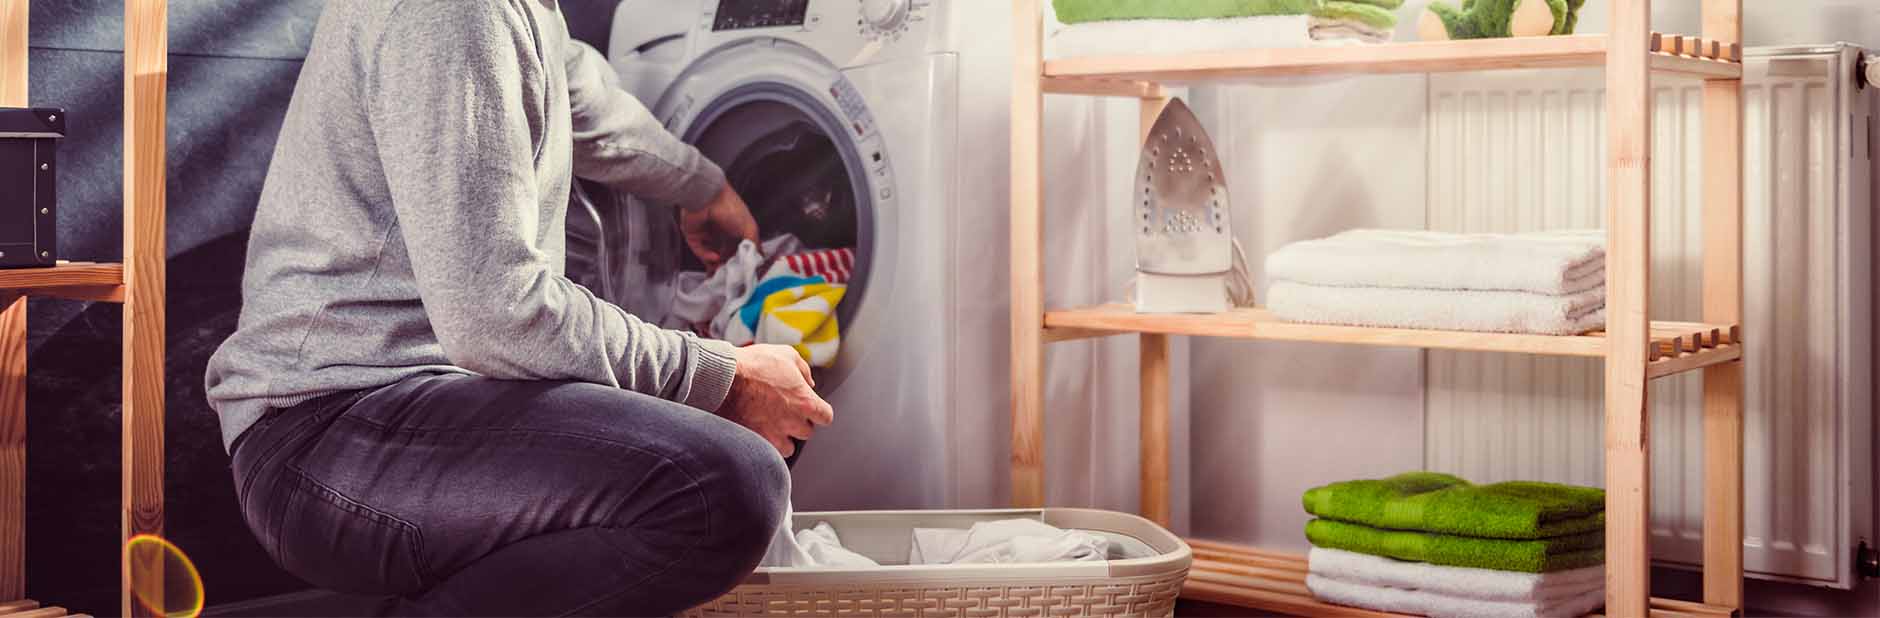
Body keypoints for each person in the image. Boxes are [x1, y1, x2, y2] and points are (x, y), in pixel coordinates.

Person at [204, 1, 834, 614]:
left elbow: (581, 99)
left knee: (728, 466)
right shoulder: (454, 13)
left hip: (400, 407)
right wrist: (720, 375)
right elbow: (499, 314)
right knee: (722, 486)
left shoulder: (521, 11)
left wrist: (702, 186)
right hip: (328, 432)